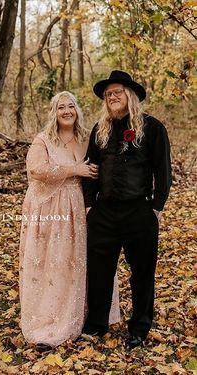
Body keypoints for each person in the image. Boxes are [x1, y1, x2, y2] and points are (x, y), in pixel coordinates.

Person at [19, 91, 120, 351]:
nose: (67, 111)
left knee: (81, 260)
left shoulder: (88, 137)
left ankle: (86, 315)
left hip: (81, 206)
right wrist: (74, 169)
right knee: (56, 261)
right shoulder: (43, 139)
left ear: (77, 110)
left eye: (71, 106)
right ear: (54, 112)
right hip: (51, 209)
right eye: (61, 107)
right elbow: (36, 169)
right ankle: (51, 320)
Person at [82, 71, 172, 349]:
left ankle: (139, 327)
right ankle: (97, 324)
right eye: (108, 94)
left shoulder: (153, 128)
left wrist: (156, 207)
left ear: (130, 95)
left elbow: (163, 171)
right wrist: (88, 205)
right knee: (99, 271)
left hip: (139, 213)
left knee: (142, 273)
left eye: (117, 92)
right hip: (104, 213)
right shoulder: (100, 129)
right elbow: (90, 169)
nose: (112, 97)